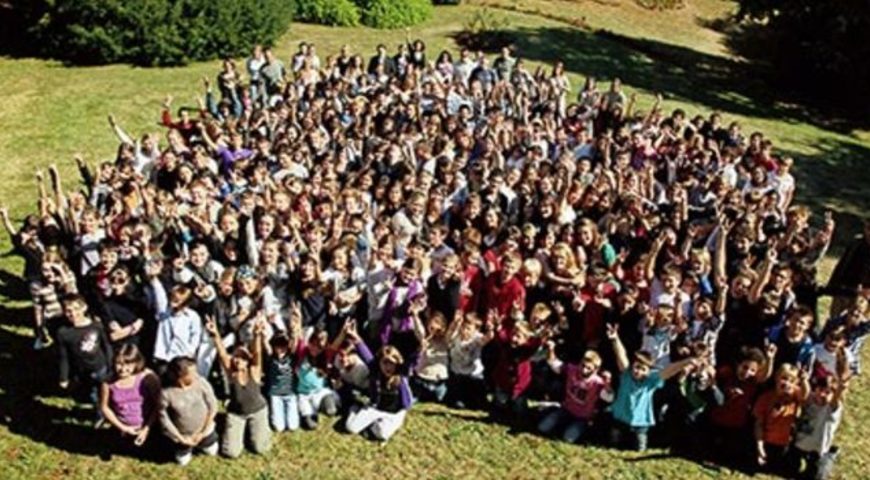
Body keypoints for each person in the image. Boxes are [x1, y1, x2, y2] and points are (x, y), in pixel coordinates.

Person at [205, 314, 271, 458]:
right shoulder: (231, 374)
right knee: (231, 452)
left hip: (258, 410)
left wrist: (256, 335)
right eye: (236, 356)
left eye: (242, 357)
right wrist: (215, 334)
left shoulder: (254, 371)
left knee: (260, 449)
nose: (238, 360)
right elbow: (222, 354)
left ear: (248, 361)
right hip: (237, 414)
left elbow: (257, 352)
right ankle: (242, 430)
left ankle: (254, 430)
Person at [538, 346, 613, 443]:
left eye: (589, 368)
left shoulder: (598, 383)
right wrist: (551, 349)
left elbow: (609, 398)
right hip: (566, 409)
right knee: (542, 428)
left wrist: (607, 384)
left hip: (582, 418)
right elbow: (554, 364)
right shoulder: (571, 369)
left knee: (568, 438)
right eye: (583, 365)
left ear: (595, 370)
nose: (584, 370)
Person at [57, 295, 113, 417]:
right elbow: (64, 357)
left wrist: (110, 365)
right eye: (68, 311)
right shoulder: (63, 332)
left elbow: (106, 346)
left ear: (84, 308)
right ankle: (100, 414)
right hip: (83, 371)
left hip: (100, 367)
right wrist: (64, 377)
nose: (73, 314)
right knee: (93, 394)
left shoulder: (96, 326)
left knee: (106, 392)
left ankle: (111, 411)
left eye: (76, 309)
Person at [159, 357, 219, 466]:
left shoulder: (201, 383)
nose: (196, 375)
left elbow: (213, 407)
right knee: (183, 462)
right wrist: (181, 438)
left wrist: (202, 432)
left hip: (204, 430)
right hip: (183, 435)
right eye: (192, 373)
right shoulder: (166, 393)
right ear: (181, 377)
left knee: (211, 451)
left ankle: (205, 443)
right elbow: (164, 419)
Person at [345, 345, 413, 442]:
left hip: (394, 413)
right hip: (376, 408)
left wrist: (420, 349)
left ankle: (372, 425)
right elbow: (366, 355)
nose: (388, 367)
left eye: (391, 363)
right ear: (379, 363)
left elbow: (412, 361)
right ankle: (355, 409)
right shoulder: (376, 372)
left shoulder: (401, 375)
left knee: (383, 435)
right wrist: (357, 341)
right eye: (384, 363)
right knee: (351, 428)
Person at [99, 344, 161, 449]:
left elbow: (158, 405)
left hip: (148, 426)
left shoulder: (146, 378)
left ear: (136, 363)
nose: (123, 369)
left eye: (128, 364)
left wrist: (146, 429)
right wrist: (123, 428)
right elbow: (104, 407)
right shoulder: (108, 383)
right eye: (119, 364)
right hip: (123, 427)